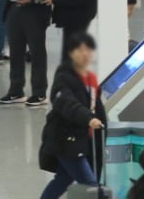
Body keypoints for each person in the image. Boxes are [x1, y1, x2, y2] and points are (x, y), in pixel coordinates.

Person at [37, 33, 106, 199]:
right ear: (70, 53)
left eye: (88, 50)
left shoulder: (90, 79)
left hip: (82, 141)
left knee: (62, 179)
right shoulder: (63, 78)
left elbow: (96, 106)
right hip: (66, 141)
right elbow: (67, 104)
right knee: (91, 186)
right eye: (79, 50)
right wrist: (89, 119)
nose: (85, 54)